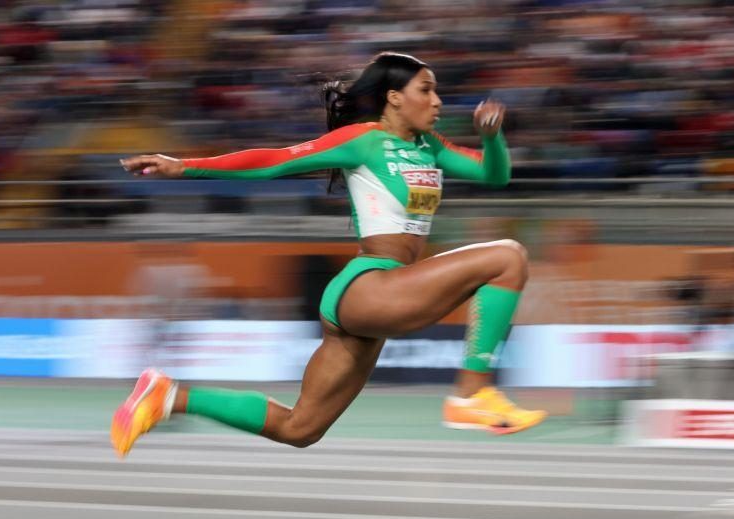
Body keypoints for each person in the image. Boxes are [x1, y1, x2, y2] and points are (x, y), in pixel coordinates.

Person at [110, 52, 547, 457]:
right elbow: (276, 160)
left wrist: (492, 138)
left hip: (378, 297)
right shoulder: (363, 140)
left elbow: (494, 175)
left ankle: (167, 395)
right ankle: (471, 393)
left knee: (300, 428)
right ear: (394, 98)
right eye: (426, 89)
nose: (437, 100)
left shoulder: (428, 146)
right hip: (369, 284)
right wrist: (185, 166)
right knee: (508, 257)